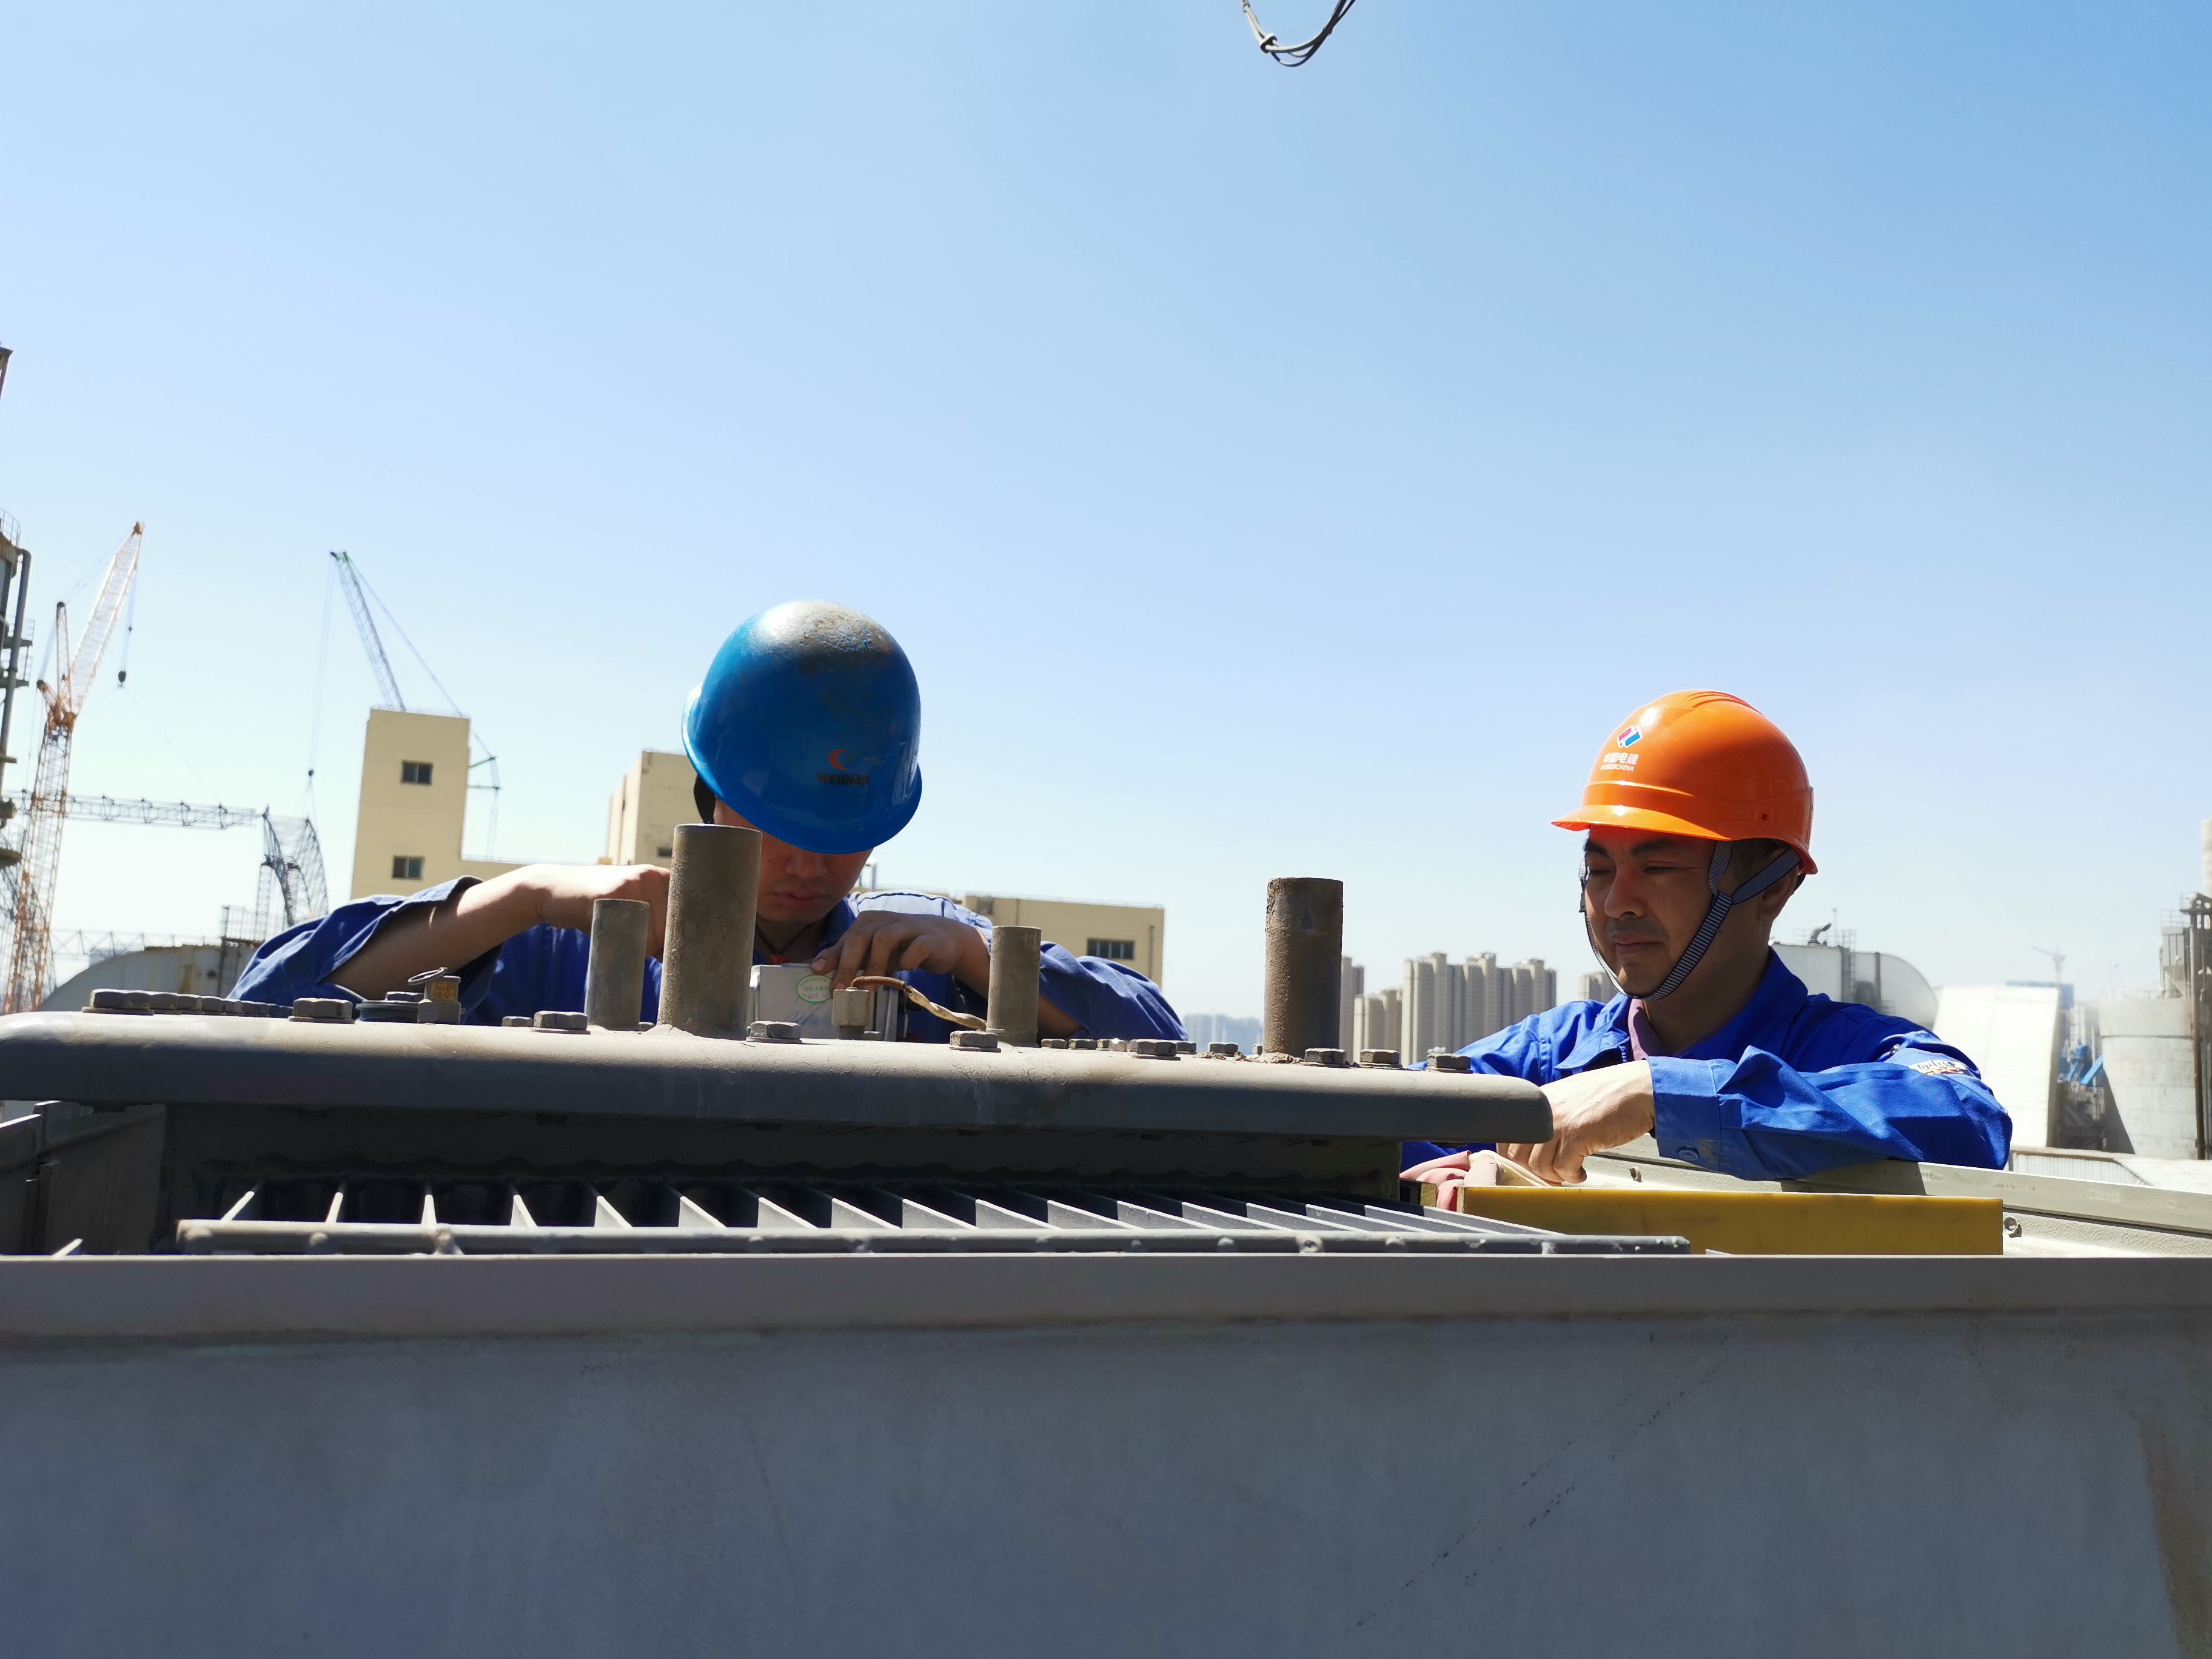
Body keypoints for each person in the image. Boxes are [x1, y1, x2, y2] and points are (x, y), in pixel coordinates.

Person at [235, 600, 1183, 1044]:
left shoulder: (922, 962)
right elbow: (267, 1003)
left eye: (838, 838)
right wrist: (523, 897)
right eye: (777, 828)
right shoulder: (561, 947)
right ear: (712, 797)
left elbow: (1160, 1038)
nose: (810, 866)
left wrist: (978, 957)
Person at [1404, 689, 2008, 1198]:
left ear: (1773, 887)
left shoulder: (1839, 1052)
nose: (1617, 903)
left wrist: (1660, 1092)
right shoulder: (1554, 1056)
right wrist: (1425, 1171)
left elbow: (1967, 1117)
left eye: (1658, 867)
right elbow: (1380, 1111)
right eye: (1601, 870)